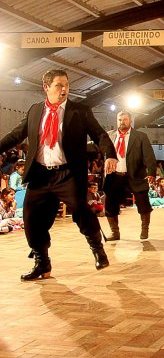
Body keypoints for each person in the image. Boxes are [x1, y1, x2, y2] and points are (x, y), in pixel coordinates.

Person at [0, 69, 117, 281]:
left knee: (81, 209)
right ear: (46, 87)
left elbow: (99, 134)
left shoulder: (79, 111)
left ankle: (98, 249)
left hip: (67, 173)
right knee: (31, 218)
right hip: (40, 174)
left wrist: (110, 155)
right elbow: (16, 135)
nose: (64, 90)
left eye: (66, 85)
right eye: (58, 85)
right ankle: (42, 264)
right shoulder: (35, 110)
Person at [103, 111, 157, 241]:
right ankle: (115, 232)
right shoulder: (109, 136)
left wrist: (151, 173)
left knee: (143, 204)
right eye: (120, 120)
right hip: (114, 176)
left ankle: (145, 229)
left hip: (136, 175)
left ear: (130, 121)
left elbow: (149, 156)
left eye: (125, 119)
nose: (122, 122)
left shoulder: (140, 136)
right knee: (110, 204)